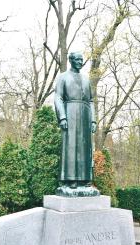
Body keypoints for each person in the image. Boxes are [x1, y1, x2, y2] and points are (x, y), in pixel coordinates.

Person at [54, 52, 99, 196]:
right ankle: (70, 180)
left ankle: (85, 179)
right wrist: (62, 117)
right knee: (71, 146)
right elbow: (58, 97)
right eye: (77, 59)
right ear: (71, 60)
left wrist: (93, 120)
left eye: (81, 60)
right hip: (70, 113)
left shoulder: (86, 79)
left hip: (85, 116)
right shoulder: (63, 77)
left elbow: (91, 101)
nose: (80, 62)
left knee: (85, 148)